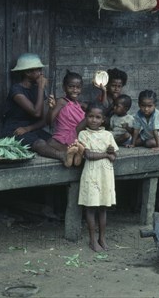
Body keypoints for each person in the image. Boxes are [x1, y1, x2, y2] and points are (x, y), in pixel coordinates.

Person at [77, 101, 119, 252]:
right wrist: (106, 154)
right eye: (90, 116)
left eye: (97, 117)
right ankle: (92, 240)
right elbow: (88, 155)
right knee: (90, 208)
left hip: (105, 175)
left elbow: (114, 158)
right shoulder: (83, 134)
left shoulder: (108, 135)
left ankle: (102, 238)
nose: (93, 120)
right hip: (91, 174)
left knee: (103, 208)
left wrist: (110, 153)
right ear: (86, 117)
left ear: (103, 120)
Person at [0, 53, 52, 147]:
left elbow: (43, 121)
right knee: (40, 143)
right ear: (27, 73)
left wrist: (28, 128)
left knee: (53, 141)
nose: (42, 73)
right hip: (15, 130)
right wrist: (41, 87)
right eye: (39, 70)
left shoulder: (37, 90)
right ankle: (63, 157)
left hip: (30, 128)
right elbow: (36, 113)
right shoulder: (16, 90)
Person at [47, 70, 87, 167]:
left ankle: (75, 152)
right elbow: (49, 121)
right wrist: (51, 109)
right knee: (50, 142)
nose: (75, 90)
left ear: (81, 88)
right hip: (64, 136)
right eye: (71, 87)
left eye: (78, 87)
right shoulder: (61, 101)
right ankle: (76, 152)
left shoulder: (79, 105)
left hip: (78, 135)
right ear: (64, 88)